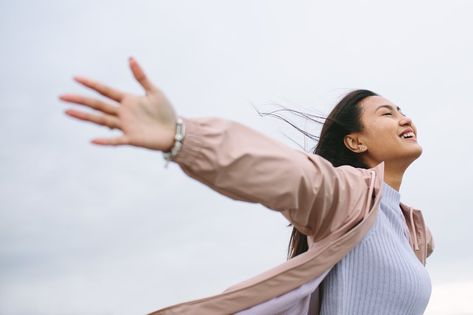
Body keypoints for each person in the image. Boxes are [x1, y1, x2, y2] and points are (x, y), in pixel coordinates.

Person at [60, 57, 434, 315]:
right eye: (387, 113)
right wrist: (182, 137)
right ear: (355, 142)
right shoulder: (349, 196)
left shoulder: (412, 233)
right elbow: (287, 172)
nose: (405, 118)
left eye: (401, 110)